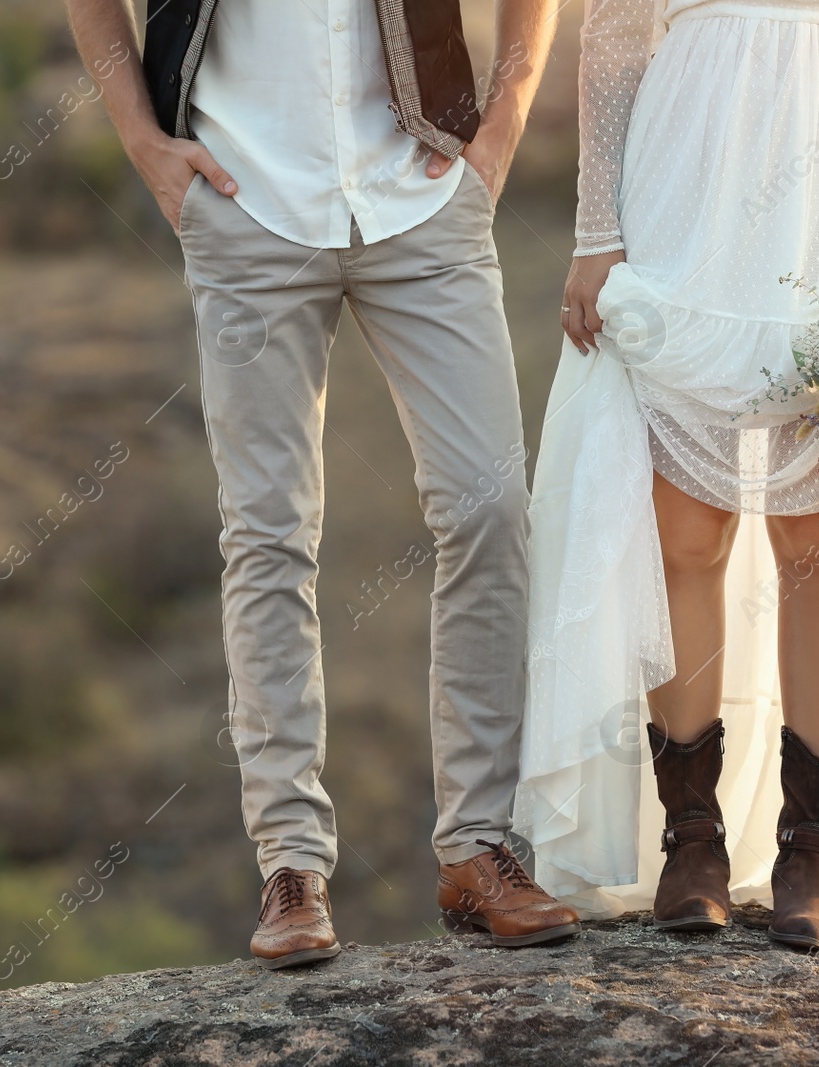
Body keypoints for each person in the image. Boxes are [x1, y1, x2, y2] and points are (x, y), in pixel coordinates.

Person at [60, 0, 580, 969]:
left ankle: (476, 846)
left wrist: (500, 126)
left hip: (421, 197)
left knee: (489, 505)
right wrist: (142, 142)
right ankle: (290, 865)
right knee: (267, 533)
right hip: (243, 201)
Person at [516, 0, 819, 950]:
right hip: (685, 181)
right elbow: (612, 36)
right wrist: (595, 230)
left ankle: (810, 850)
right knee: (686, 534)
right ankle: (693, 843)